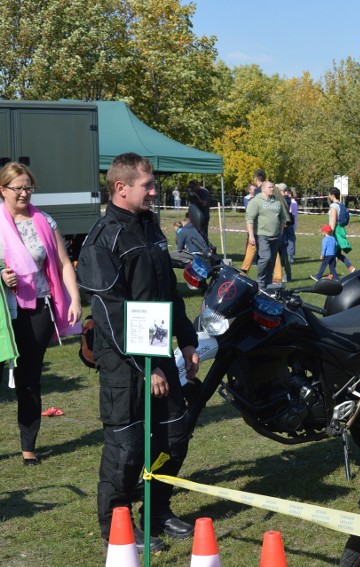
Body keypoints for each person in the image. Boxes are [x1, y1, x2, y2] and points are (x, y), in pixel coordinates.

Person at [76, 153, 200, 551]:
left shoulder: (151, 228)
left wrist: (187, 340)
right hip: (124, 362)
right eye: (147, 184)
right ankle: (119, 527)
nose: (154, 190)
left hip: (160, 350)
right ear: (121, 187)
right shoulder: (102, 238)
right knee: (127, 448)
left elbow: (167, 294)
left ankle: (157, 509)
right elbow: (111, 315)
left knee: (174, 435)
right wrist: (145, 368)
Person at [0, 162, 82, 466]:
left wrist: (74, 299)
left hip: (37, 310)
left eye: (28, 187)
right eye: (17, 188)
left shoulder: (45, 221)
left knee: (30, 380)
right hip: (2, 312)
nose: (23, 193)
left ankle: (28, 446)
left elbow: (63, 263)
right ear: (3, 190)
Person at [246, 180, 289, 291]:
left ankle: (268, 284)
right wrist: (251, 236)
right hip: (261, 235)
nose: (272, 189)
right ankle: (260, 280)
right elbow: (249, 219)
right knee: (266, 257)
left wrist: (280, 232)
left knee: (272, 260)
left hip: (275, 236)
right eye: (270, 187)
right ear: (263, 189)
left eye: (272, 187)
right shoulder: (256, 201)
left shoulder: (277, 202)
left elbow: (283, 218)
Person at [240, 173, 264, 272]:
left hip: (262, 229)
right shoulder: (252, 199)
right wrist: (251, 235)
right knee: (251, 249)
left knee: (272, 254)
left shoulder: (259, 195)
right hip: (256, 228)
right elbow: (250, 216)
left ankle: (276, 278)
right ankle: (243, 272)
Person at [328, 187, 355, 273]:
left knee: (332, 253)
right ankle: (333, 274)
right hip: (341, 230)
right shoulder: (341, 205)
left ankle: (349, 267)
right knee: (337, 253)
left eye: (329, 195)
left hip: (335, 231)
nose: (328, 196)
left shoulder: (333, 206)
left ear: (332, 195)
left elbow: (333, 220)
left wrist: (330, 233)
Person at [272, 183, 292, 284]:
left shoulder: (283, 199)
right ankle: (286, 274)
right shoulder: (286, 199)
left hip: (282, 229)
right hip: (283, 229)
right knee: (282, 253)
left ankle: (285, 275)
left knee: (282, 254)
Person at [285, 188, 298, 264]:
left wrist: (294, 225)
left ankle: (291, 256)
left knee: (291, 240)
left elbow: (294, 215)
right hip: (287, 223)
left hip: (291, 224)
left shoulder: (293, 203)